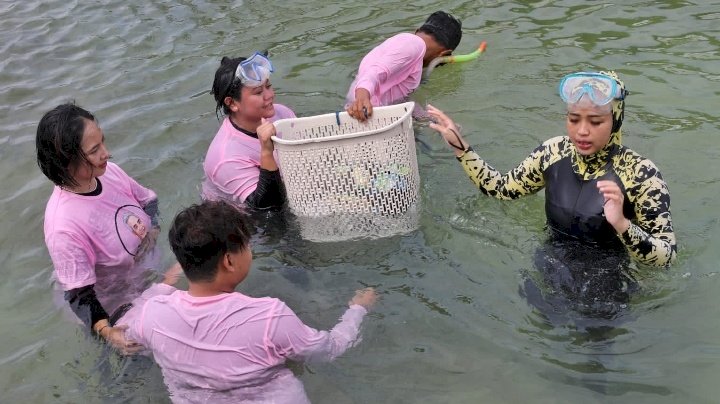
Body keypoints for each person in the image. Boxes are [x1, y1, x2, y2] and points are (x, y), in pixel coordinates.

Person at [428, 71, 676, 314]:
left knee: (594, 345)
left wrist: (623, 225)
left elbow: (667, 257)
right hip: (551, 265)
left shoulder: (640, 174)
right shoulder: (553, 152)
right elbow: (500, 189)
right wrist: (461, 148)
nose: (582, 131)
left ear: (616, 119)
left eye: (596, 121)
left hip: (607, 284)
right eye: (573, 118)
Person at [124, 200, 377, 403]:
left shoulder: (152, 315)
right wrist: (358, 309)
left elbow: (127, 336)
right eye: (245, 245)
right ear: (229, 261)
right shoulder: (268, 317)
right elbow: (328, 350)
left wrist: (163, 286)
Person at [36, 103, 165, 353]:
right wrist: (108, 332)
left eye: (102, 142)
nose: (107, 153)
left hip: (141, 276)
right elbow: (79, 295)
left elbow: (149, 201)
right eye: (95, 150)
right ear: (66, 162)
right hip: (110, 305)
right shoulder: (64, 226)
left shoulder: (109, 173)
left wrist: (154, 231)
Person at [202, 52, 296, 211]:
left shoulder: (282, 114)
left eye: (269, 86)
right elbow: (268, 207)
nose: (270, 95)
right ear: (232, 103)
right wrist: (266, 152)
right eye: (258, 92)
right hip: (246, 220)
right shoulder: (226, 158)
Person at [345, 10, 462, 121]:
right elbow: (374, 72)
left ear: (417, 31)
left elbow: (400, 99)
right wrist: (362, 98)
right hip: (366, 110)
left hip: (364, 110)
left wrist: (431, 120)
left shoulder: (409, 48)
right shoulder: (414, 44)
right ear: (444, 54)